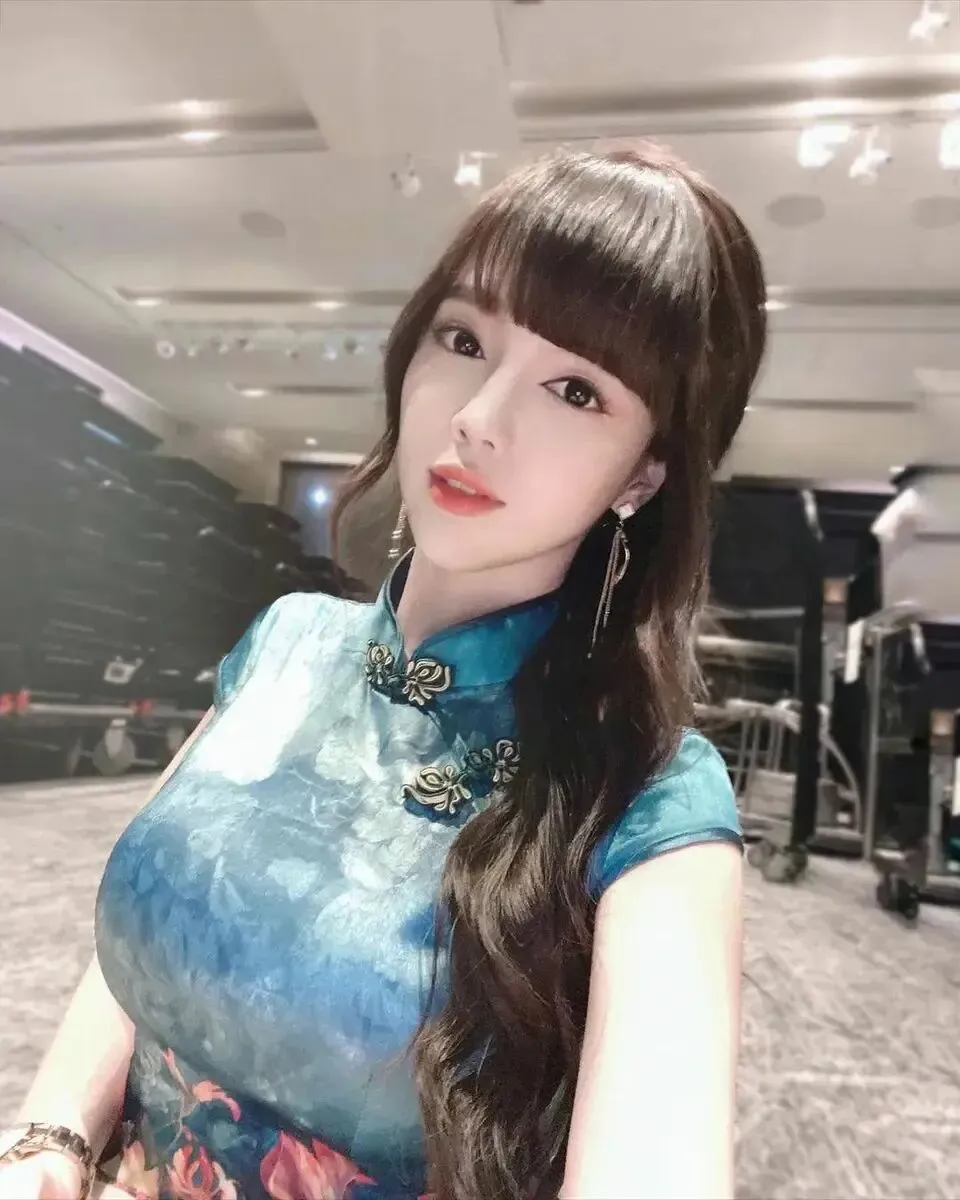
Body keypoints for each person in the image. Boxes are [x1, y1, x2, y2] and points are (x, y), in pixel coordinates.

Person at [0, 143, 766, 1200]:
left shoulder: (648, 799)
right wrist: (50, 1137)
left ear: (642, 472)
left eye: (575, 390)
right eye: (465, 339)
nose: (479, 418)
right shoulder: (285, 643)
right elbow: (153, 927)